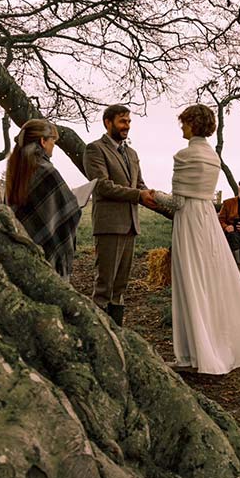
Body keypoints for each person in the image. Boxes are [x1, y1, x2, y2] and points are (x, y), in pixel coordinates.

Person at [165, 105, 240, 374]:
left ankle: (191, 354)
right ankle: (209, 346)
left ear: (192, 124)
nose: (182, 127)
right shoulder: (213, 157)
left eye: (184, 122)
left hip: (188, 220)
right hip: (208, 219)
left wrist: (149, 195)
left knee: (188, 280)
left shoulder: (183, 155)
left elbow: (176, 201)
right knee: (208, 280)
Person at [83, 105, 158, 326]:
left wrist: (161, 201)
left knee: (120, 286)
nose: (127, 126)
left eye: (129, 121)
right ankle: (99, 335)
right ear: (108, 122)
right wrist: (139, 194)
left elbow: (141, 185)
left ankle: (118, 335)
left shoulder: (132, 154)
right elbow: (103, 187)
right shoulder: (95, 149)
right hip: (109, 225)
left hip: (130, 225)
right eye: (122, 121)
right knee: (104, 286)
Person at [5, 119, 82, 278]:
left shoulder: (16, 168)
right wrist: (75, 201)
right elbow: (69, 211)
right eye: (53, 140)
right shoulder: (45, 170)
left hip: (24, 245)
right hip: (48, 251)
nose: (54, 145)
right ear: (43, 141)